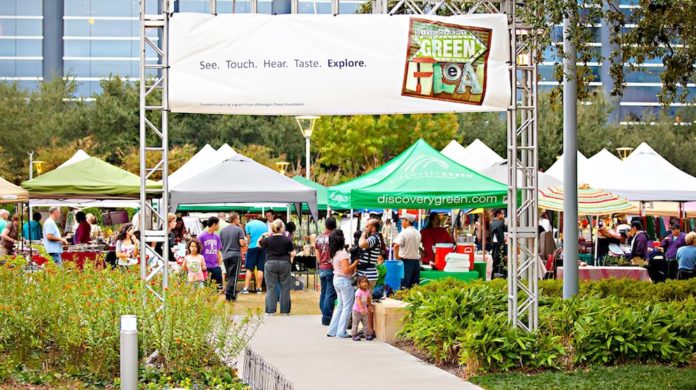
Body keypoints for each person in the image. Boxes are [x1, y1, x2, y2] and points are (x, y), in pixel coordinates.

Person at [259, 219, 296, 315]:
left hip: (270, 263)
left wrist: (263, 235)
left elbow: (258, 244)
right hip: (284, 263)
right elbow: (293, 253)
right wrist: (290, 259)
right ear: (282, 228)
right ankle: (285, 311)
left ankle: (270, 311)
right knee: (285, 287)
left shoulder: (267, 239)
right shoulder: (287, 239)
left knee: (271, 287)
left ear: (272, 228)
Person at [327, 229, 358, 338]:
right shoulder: (343, 253)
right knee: (347, 307)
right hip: (344, 281)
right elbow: (346, 270)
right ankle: (341, 332)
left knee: (340, 306)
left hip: (337, 279)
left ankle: (332, 330)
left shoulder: (333, 253)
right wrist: (355, 263)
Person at [316, 217, 338, 326]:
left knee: (324, 292)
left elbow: (317, 255)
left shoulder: (319, 238)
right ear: (335, 226)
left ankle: (324, 312)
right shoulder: (335, 237)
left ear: (325, 225)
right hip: (331, 267)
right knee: (330, 293)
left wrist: (321, 263)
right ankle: (326, 317)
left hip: (322, 267)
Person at [220, 212, 247, 302]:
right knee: (234, 276)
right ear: (235, 219)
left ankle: (230, 293)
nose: (239, 220)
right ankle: (230, 295)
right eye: (238, 219)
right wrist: (245, 242)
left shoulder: (223, 230)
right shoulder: (239, 230)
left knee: (230, 275)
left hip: (225, 255)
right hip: (235, 254)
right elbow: (241, 243)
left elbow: (221, 244)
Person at [394, 214, 422, 289]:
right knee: (414, 287)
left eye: (403, 220)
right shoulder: (418, 233)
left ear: (407, 221)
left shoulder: (404, 233)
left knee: (404, 286)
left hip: (405, 262)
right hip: (416, 262)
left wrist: (397, 257)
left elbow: (396, 246)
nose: (401, 222)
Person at [242, 215, 268, 294]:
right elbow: (265, 237)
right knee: (260, 268)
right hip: (262, 248)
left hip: (252, 247)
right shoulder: (264, 225)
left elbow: (248, 239)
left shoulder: (248, 225)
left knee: (249, 269)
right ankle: (259, 288)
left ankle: (246, 288)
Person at [199, 216, 223, 292]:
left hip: (215, 266)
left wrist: (219, 264)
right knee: (207, 287)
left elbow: (218, 251)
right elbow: (198, 251)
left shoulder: (217, 236)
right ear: (214, 224)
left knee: (216, 288)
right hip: (205, 266)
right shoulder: (202, 236)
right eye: (218, 224)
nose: (218, 226)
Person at [358, 219, 384, 289]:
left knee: (365, 297)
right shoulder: (374, 238)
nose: (365, 228)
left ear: (373, 228)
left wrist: (363, 235)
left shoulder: (373, 238)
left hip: (368, 275)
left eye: (367, 226)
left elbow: (362, 244)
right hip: (366, 273)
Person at [352, 275, 375, 341]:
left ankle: (367, 335)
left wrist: (370, 305)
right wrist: (361, 309)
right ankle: (354, 335)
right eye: (362, 282)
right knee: (355, 323)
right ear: (359, 284)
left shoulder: (367, 291)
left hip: (364, 311)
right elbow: (358, 301)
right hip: (357, 311)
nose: (364, 283)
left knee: (366, 323)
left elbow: (368, 299)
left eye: (365, 282)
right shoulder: (358, 292)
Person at [490, 209, 507, 277]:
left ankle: (493, 278)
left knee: (495, 264)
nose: (504, 215)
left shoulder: (491, 223)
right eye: (503, 214)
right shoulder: (500, 224)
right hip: (500, 247)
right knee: (501, 266)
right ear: (498, 214)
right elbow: (502, 239)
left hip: (494, 247)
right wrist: (505, 252)